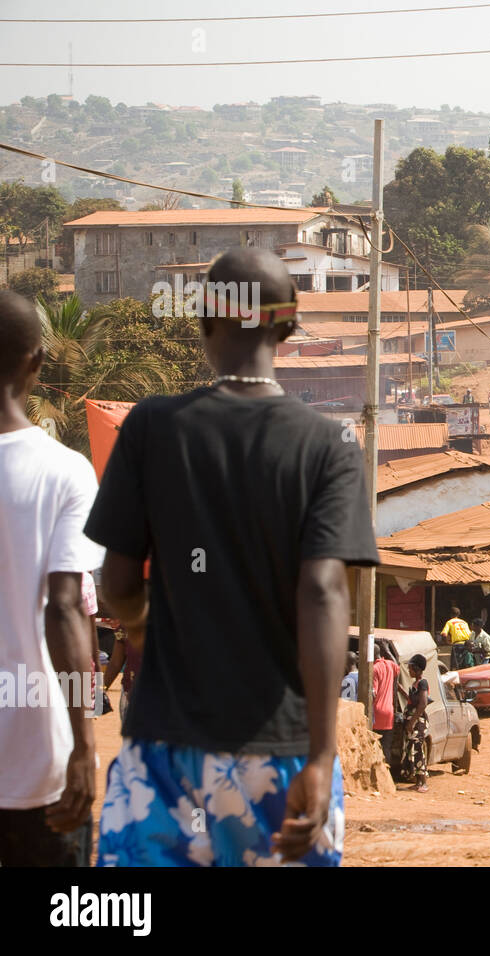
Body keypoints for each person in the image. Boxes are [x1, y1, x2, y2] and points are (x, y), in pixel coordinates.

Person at [87, 249, 378, 867]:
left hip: (167, 753)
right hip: (284, 754)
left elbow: (115, 583)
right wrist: (323, 757)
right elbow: (324, 594)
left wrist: (151, 633)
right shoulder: (328, 446)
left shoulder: (151, 428)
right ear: (289, 327)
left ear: (202, 321)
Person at [0, 291, 104, 867]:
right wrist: (85, 744)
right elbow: (65, 609)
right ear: (37, 362)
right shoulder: (66, 471)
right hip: (39, 759)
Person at [400, 655, 431, 792]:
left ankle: (424, 782)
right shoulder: (415, 684)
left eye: (411, 668)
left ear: (417, 668)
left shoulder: (423, 683)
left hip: (418, 722)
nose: (409, 670)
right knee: (412, 749)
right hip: (413, 721)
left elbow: (422, 704)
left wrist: (412, 722)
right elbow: (412, 700)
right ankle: (418, 782)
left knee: (418, 750)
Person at [371, 642, 401, 774]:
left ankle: (376, 774)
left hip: (376, 713)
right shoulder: (390, 665)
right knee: (386, 747)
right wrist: (388, 650)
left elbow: (373, 693)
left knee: (374, 746)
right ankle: (386, 775)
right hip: (389, 712)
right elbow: (398, 666)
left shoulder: (374, 669)